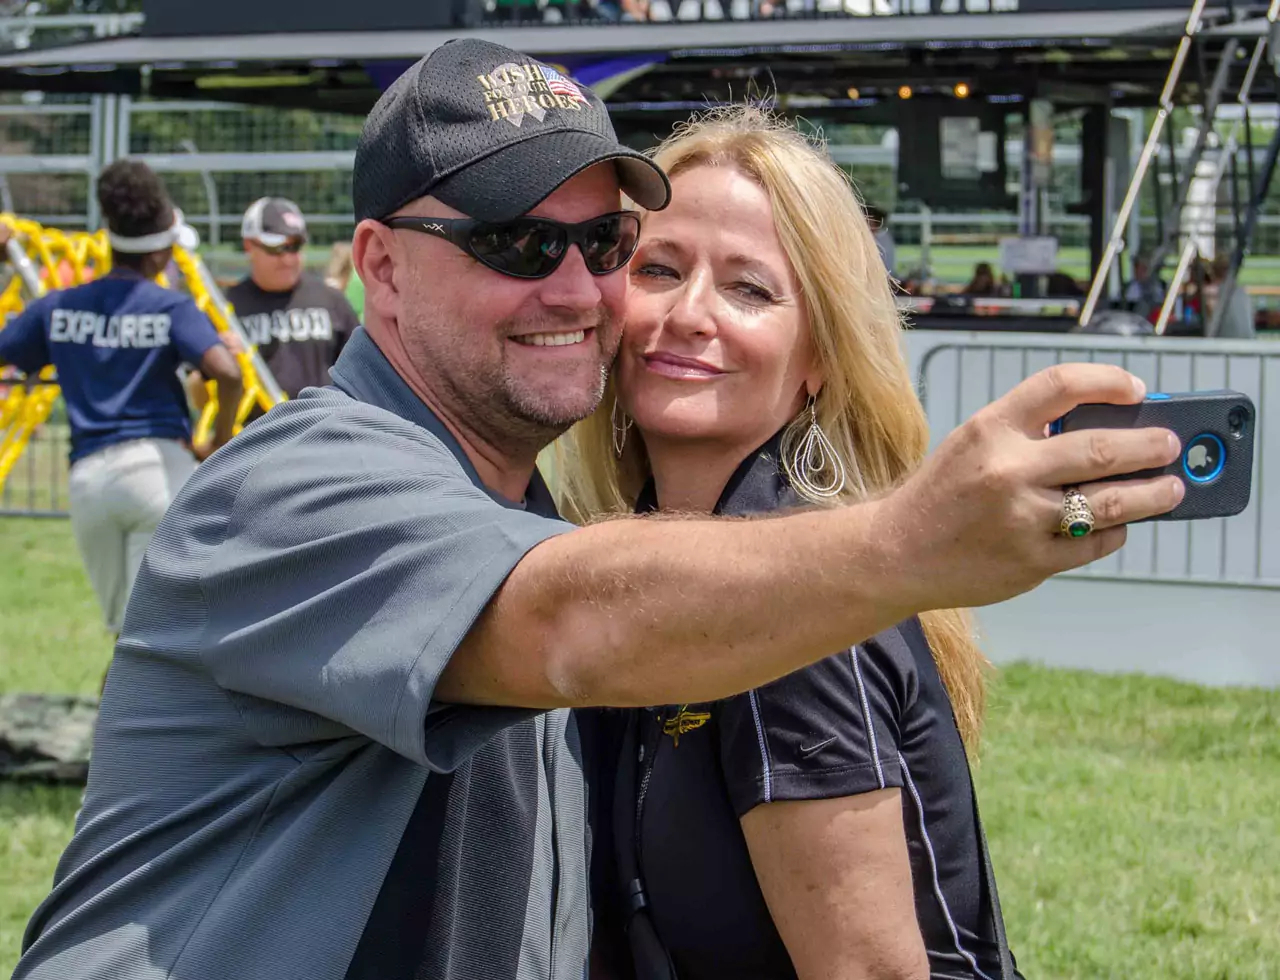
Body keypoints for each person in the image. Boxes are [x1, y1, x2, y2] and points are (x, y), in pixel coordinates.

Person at [12, 41, 1183, 980]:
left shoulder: (552, 520)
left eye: (606, 242)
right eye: (516, 241)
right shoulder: (299, 484)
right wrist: (911, 539)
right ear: (380, 265)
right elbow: (570, 622)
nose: (578, 289)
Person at [557, 106, 1023, 980]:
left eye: (749, 289)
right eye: (659, 268)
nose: (690, 313)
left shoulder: (798, 610)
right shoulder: (648, 565)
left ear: (819, 358)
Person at [0, 161, 242, 639]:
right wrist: (218, 441)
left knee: (125, 634)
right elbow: (228, 372)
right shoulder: (170, 307)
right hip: (159, 471)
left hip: (89, 481)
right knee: (159, 636)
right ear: (162, 252)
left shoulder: (58, 306)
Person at [225, 196, 360, 401]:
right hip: (256, 421)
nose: (288, 259)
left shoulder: (331, 302)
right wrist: (225, 369)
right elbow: (198, 396)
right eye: (276, 248)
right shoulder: (226, 308)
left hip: (323, 420)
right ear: (249, 246)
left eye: (295, 246)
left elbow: (362, 374)